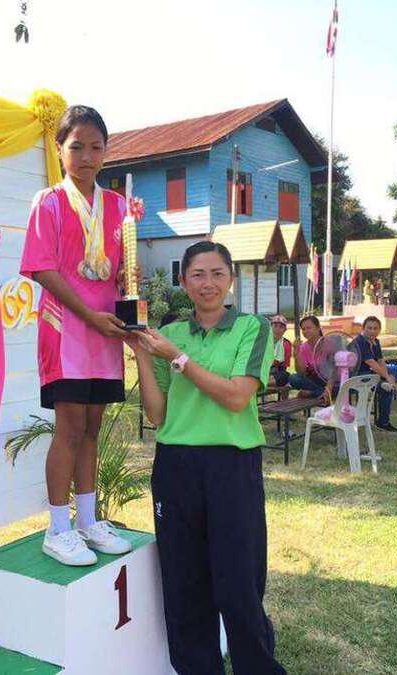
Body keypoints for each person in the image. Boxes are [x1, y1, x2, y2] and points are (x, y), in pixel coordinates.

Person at [126, 240, 287, 675]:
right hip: (176, 466)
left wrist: (177, 358)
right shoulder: (170, 333)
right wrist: (142, 354)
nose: (208, 283)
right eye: (197, 274)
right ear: (183, 281)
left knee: (238, 584)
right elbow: (157, 415)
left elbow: (236, 397)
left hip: (231, 467)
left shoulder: (251, 328)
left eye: (217, 273)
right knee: (184, 583)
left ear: (230, 279)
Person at [20, 104, 132, 566]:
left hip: (105, 333)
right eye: (77, 147)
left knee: (92, 428)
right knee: (68, 428)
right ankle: (58, 528)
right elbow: (42, 269)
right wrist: (89, 314)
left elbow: (123, 266)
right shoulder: (48, 202)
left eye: (96, 147)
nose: (87, 157)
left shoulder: (119, 206)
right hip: (66, 330)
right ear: (59, 149)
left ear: (106, 151)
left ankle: (88, 521)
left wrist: (126, 282)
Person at [352, 316, 397, 432]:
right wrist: (387, 376)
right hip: (359, 375)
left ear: (379, 330)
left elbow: (380, 360)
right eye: (369, 328)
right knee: (386, 389)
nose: (372, 331)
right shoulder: (360, 342)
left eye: (375, 328)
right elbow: (371, 362)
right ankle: (383, 422)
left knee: (394, 369)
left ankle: (386, 384)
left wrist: (387, 377)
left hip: (371, 372)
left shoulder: (376, 341)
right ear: (363, 328)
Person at [288, 315, 334, 403]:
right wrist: (297, 354)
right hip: (314, 381)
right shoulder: (303, 347)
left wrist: (328, 388)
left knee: (340, 386)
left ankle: (312, 393)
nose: (305, 331)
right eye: (303, 329)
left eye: (309, 328)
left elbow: (334, 371)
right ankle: (319, 392)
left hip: (331, 381)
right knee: (293, 378)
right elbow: (301, 372)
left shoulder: (329, 344)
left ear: (318, 328)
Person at [270, 314, 292, 388]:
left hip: (276, 371)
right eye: (275, 326)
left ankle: (263, 382)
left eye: (281, 327)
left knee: (286, 376)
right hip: (261, 369)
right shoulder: (263, 341)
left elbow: (284, 366)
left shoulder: (286, 344)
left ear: (285, 330)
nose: (277, 329)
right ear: (270, 327)